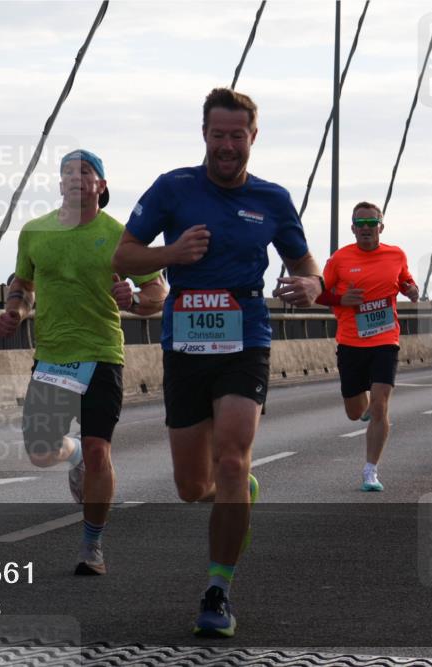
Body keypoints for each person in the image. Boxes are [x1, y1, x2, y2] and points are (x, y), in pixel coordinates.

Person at [112, 88, 322, 637]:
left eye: (237, 135)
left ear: (253, 136)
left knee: (233, 460)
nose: (227, 146)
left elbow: (306, 263)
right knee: (190, 486)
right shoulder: (174, 188)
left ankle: (218, 590)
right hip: (185, 341)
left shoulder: (273, 199)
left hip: (245, 335)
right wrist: (171, 255)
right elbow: (125, 255)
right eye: (218, 135)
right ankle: (237, 493)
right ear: (204, 134)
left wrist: (310, 284)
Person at [0, 149, 165, 576]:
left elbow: (156, 293)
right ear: (59, 185)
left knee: (99, 449)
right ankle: (70, 457)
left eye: (86, 171)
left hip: (101, 356)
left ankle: (92, 545)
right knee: (40, 452)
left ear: (101, 186)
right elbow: (24, 281)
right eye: (68, 171)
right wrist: (16, 310)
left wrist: (135, 301)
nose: (76, 177)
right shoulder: (35, 232)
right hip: (52, 357)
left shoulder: (121, 236)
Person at [315, 202, 419, 490]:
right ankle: (364, 409)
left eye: (371, 223)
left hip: (386, 339)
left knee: (381, 405)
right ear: (352, 228)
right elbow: (318, 294)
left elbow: (406, 280)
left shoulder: (396, 254)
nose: (365, 228)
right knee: (355, 410)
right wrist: (340, 300)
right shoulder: (340, 259)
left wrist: (412, 289)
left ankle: (370, 471)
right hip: (350, 341)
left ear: (381, 227)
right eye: (360, 224)